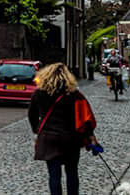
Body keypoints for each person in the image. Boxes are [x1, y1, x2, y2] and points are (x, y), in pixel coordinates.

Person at [29, 62, 98, 195]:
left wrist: (37, 130)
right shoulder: (73, 94)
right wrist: (90, 136)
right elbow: (85, 117)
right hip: (70, 139)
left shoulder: (38, 93)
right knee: (72, 173)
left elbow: (32, 114)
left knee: (54, 176)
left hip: (48, 138)